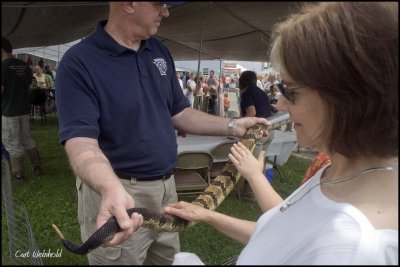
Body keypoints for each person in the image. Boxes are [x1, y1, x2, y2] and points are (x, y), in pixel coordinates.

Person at [166, 2, 398, 265]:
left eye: (288, 90)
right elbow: (285, 234)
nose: (278, 104)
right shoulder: (340, 172)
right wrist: (208, 214)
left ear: (343, 97)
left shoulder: (357, 249)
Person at [55, 2, 268, 265]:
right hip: (121, 194)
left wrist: (233, 126)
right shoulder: (79, 62)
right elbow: (80, 142)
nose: (166, 12)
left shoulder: (158, 50)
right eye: (159, 4)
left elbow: (180, 113)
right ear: (129, 4)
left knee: (169, 260)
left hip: (168, 189)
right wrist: (110, 188)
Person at [2, 37, 42, 180]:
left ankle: (18, 173)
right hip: (24, 110)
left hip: (9, 111)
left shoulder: (3, 67)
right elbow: (29, 87)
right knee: (26, 138)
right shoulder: (24, 66)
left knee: (12, 141)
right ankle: (36, 166)